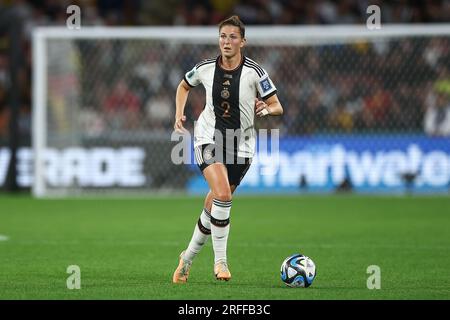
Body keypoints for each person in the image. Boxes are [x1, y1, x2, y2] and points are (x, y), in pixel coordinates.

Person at [172, 15, 283, 283]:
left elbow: (278, 105)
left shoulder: (255, 72)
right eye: (223, 36)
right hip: (208, 138)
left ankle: (186, 259)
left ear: (242, 42)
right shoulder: (206, 68)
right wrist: (178, 114)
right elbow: (184, 86)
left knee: (214, 203)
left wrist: (266, 108)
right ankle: (220, 263)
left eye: (233, 37)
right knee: (222, 194)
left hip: (242, 146)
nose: (227, 42)